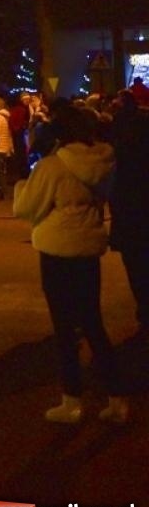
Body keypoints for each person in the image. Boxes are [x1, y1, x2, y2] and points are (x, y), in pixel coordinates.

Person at [13, 103, 126, 424]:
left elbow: (27, 207)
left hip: (57, 249)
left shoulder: (52, 166)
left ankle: (72, 399)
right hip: (88, 247)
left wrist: (22, 186)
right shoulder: (105, 161)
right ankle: (116, 397)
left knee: (64, 328)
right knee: (93, 322)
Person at [109, 91, 149, 339]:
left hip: (130, 219)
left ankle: (145, 316)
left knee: (137, 270)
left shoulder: (122, 158)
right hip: (131, 217)